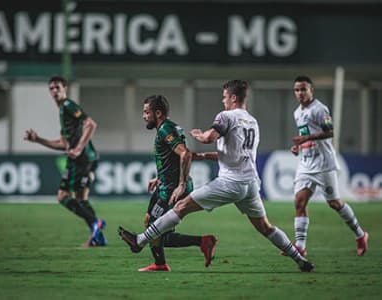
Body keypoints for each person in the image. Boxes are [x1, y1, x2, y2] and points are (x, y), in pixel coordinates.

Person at [119, 80, 314, 272]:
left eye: (225, 97)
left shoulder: (226, 116)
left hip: (230, 183)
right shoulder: (253, 122)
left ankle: (140, 240)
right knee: (266, 227)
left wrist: (200, 135)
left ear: (233, 97)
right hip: (251, 183)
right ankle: (300, 259)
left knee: (180, 207)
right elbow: (233, 154)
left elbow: (209, 138)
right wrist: (203, 156)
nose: (223, 101)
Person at [124, 95, 217, 272]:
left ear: (158, 113)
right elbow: (172, 157)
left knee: (155, 230)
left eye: (146, 112)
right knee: (150, 223)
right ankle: (162, 262)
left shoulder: (165, 130)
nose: (144, 116)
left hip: (172, 189)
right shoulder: (167, 128)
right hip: (164, 185)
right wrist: (159, 177)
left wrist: (181, 184)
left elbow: (185, 154)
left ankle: (201, 242)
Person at [289, 75, 368, 256]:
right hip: (306, 163)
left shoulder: (319, 109)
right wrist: (298, 146)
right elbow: (305, 134)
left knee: (334, 203)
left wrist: (307, 138)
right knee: (299, 202)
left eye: (303, 89)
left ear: (311, 90)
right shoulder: (297, 112)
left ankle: (360, 234)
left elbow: (330, 131)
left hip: (324, 163)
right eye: (297, 90)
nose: (300, 93)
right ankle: (300, 246)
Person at [24, 75, 106, 247]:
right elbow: (63, 144)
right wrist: (38, 139)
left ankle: (95, 223)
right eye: (51, 88)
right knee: (81, 198)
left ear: (65, 89)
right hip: (88, 158)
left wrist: (78, 148)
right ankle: (97, 237)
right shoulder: (62, 112)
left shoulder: (68, 106)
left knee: (62, 196)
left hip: (80, 159)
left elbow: (91, 124)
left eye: (57, 88)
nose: (54, 91)